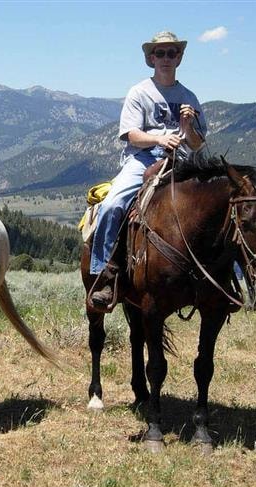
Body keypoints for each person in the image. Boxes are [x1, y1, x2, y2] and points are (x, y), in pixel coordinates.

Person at [90, 31, 208, 307]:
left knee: (212, 205)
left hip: (180, 160)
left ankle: (220, 279)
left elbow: (198, 144)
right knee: (113, 205)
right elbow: (131, 135)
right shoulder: (139, 92)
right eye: (160, 53)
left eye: (172, 53)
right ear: (151, 58)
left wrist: (188, 129)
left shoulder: (189, 96)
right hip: (142, 159)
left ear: (179, 58)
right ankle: (104, 274)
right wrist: (158, 138)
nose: (166, 58)